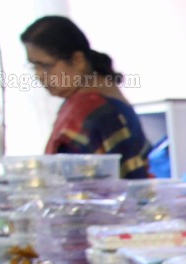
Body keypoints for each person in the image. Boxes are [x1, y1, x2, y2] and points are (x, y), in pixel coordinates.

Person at [21, 16, 151, 179]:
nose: (39, 75)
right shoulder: (97, 95)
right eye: (34, 66)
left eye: (46, 66)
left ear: (78, 60)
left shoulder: (97, 108)